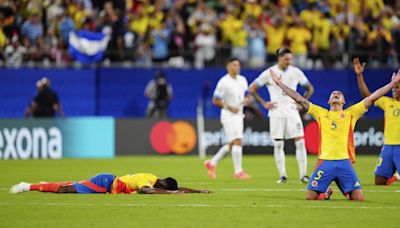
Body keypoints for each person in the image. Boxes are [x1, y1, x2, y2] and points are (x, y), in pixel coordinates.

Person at [268, 67, 400, 201]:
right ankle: (326, 193)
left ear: (343, 101)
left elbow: (373, 97)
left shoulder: (351, 113)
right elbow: (299, 99)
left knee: (359, 198)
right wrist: (280, 84)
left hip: (344, 163)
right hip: (325, 162)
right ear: (329, 101)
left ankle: (343, 187)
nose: (335, 94)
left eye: (339, 94)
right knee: (310, 196)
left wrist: (392, 83)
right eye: (333, 94)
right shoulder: (320, 113)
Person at [248, 47, 314, 184]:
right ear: (279, 58)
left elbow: (310, 88)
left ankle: (303, 175)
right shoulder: (269, 73)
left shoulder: (296, 72)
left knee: (300, 143)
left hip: (292, 111)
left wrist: (301, 103)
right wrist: (263, 103)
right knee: (278, 144)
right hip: (276, 111)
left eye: (290, 59)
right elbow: (252, 89)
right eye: (286, 59)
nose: (288, 61)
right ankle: (283, 175)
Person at [353, 58, 400, 185]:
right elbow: (367, 96)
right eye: (393, 87)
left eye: (397, 87)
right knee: (379, 181)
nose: (394, 90)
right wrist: (359, 75)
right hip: (388, 147)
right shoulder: (387, 102)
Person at [204, 57, 251, 179]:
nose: (237, 67)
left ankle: (212, 163)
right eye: (235, 65)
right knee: (238, 141)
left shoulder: (243, 80)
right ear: (228, 66)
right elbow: (215, 100)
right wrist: (229, 107)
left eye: (239, 65)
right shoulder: (223, 82)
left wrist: (246, 99)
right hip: (228, 115)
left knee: (232, 144)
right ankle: (238, 172)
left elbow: (246, 93)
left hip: (239, 114)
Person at [10, 173, 210, 194]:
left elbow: (175, 188)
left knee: (75, 185)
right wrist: (172, 195)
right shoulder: (146, 181)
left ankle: (45, 184)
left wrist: (198, 191)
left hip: (109, 182)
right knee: (67, 190)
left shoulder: (155, 178)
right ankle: (27, 186)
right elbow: (148, 192)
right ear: (164, 184)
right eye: (165, 189)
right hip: (106, 183)